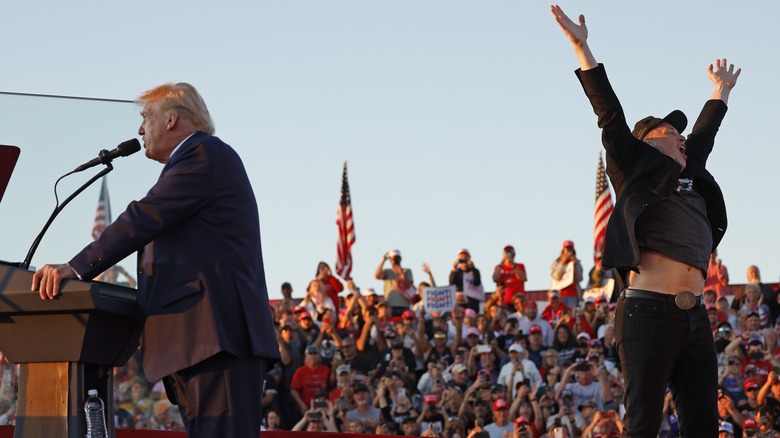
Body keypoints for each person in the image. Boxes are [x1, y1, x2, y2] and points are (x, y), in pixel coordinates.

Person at [31, 82, 279, 436]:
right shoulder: (195, 161)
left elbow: (144, 216)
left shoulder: (204, 154)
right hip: (200, 341)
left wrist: (76, 268)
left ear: (172, 119)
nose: (139, 128)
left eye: (146, 116)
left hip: (216, 338)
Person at [552, 4, 742, 435]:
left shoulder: (689, 170)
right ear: (644, 143)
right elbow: (609, 113)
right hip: (647, 311)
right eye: (667, 131)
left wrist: (721, 91)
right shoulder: (633, 166)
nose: (679, 135)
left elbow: (706, 134)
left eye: (681, 132)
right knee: (643, 423)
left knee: (703, 427)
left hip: (695, 316)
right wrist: (583, 48)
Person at [550, 240, 584, 309]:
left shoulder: (577, 263)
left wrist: (575, 265)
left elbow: (579, 279)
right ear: (563, 250)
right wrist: (562, 263)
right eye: (567, 249)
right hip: (559, 294)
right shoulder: (555, 263)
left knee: (571, 315)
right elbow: (556, 276)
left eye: (570, 249)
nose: (568, 251)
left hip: (573, 294)